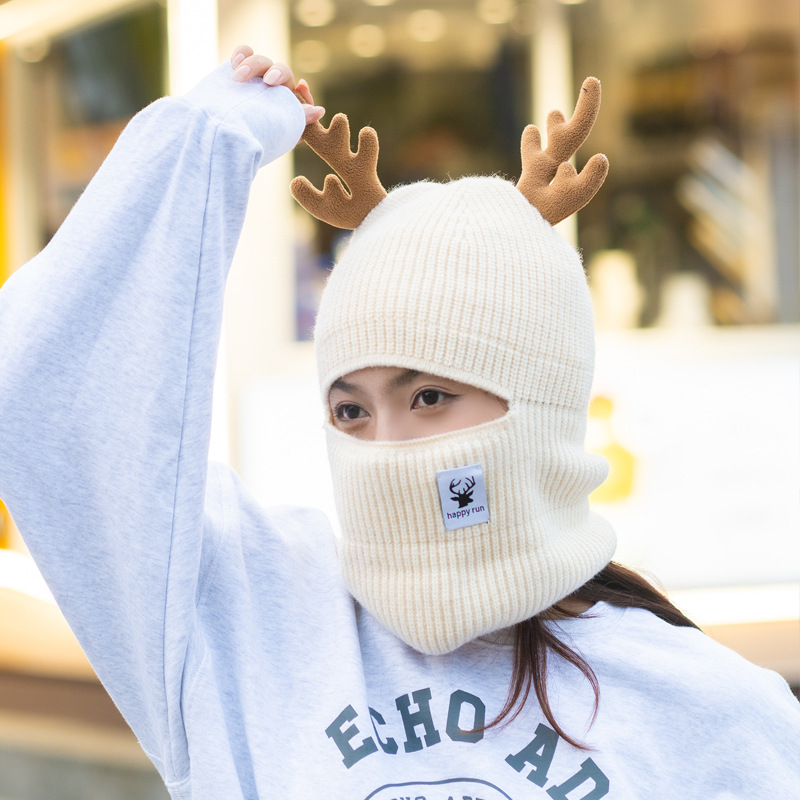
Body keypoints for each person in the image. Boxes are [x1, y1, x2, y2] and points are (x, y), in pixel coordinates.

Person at [0, 44, 797, 800]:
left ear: (540, 400)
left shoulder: (708, 712)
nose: (384, 450)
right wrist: (202, 141)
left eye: (429, 398)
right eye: (350, 410)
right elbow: (40, 397)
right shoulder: (249, 618)